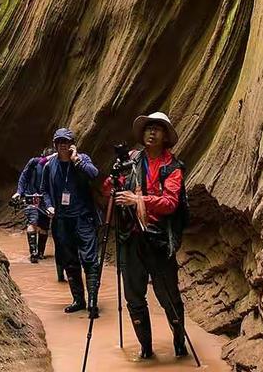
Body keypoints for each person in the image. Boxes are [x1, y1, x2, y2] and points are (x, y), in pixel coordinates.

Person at [106, 112, 189, 359]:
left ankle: (179, 344)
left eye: (158, 129)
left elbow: (170, 203)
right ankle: (146, 350)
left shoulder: (172, 168)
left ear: (165, 137)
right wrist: (113, 182)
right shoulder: (131, 161)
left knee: (168, 296)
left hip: (159, 240)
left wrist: (138, 199)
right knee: (133, 296)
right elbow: (108, 190)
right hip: (131, 237)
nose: (151, 132)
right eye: (148, 128)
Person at [42, 128, 100, 318]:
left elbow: (94, 174)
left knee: (90, 260)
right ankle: (78, 300)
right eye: (59, 143)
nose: (62, 145)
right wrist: (49, 205)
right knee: (69, 261)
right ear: (55, 145)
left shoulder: (82, 160)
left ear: (72, 144)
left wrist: (77, 160)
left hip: (83, 218)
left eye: (66, 142)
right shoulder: (49, 166)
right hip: (61, 221)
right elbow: (44, 191)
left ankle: (92, 302)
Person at [12, 148, 55, 264]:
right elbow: (24, 176)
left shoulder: (54, 168)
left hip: (45, 200)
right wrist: (19, 192)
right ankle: (35, 253)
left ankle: (39, 253)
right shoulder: (35, 163)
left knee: (44, 227)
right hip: (32, 196)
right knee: (33, 222)